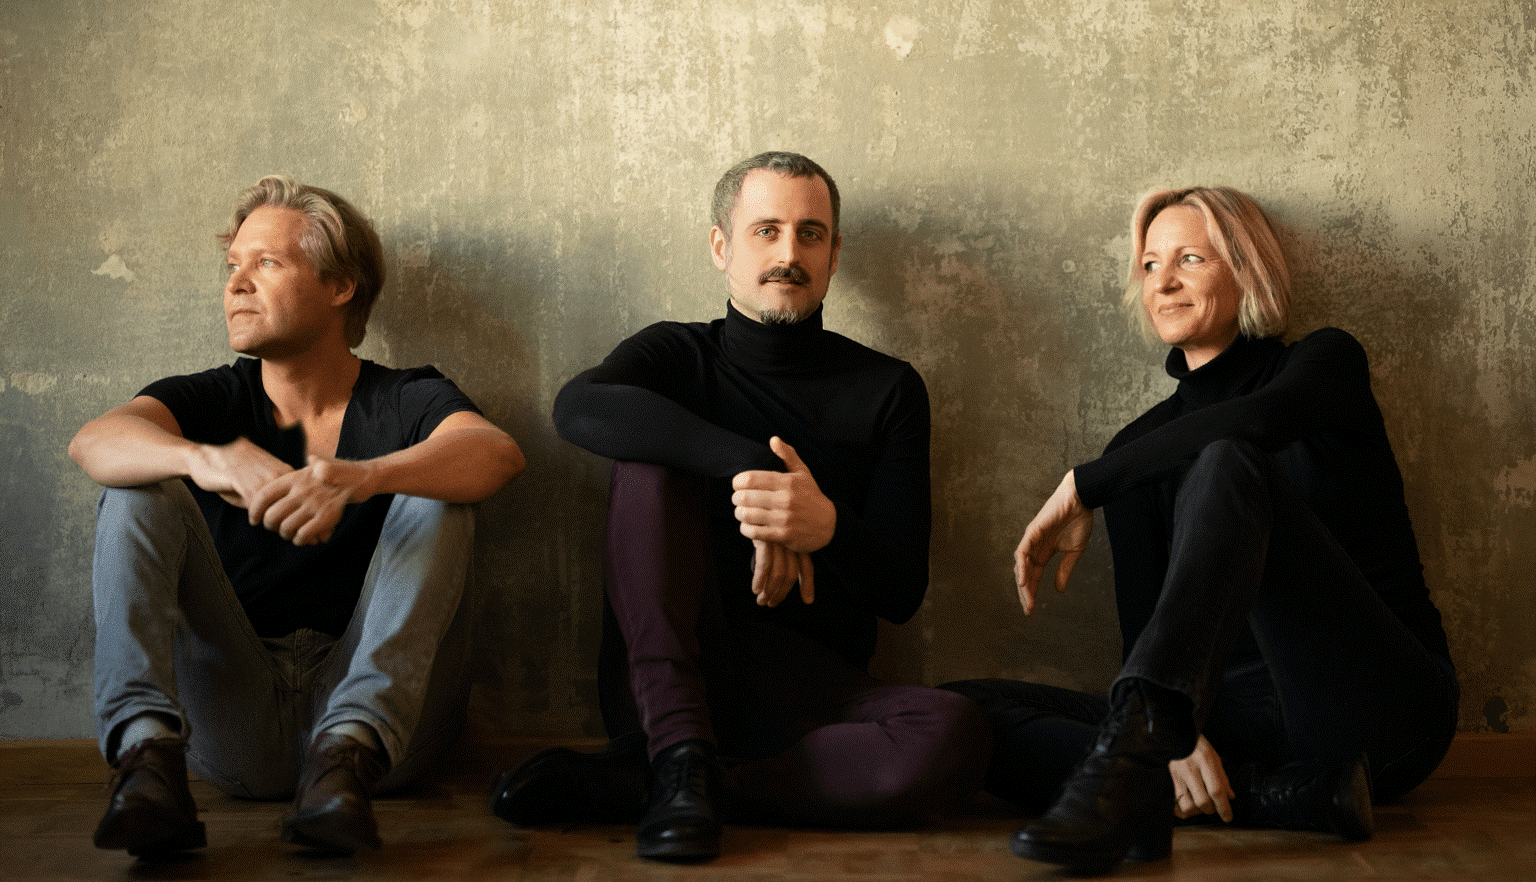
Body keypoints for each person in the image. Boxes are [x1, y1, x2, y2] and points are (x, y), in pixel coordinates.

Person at [490, 151, 990, 861]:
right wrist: (756, 468)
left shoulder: (889, 389)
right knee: (647, 459)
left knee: (953, 732)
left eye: (811, 234)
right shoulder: (676, 356)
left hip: (804, 698)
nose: (789, 254)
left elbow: (902, 591)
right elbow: (577, 407)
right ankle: (678, 750)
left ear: (834, 254)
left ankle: (659, 784)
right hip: (666, 678)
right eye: (766, 230)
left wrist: (824, 526)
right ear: (721, 246)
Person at [947, 186, 1456, 874]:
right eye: (1150, 264)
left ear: (1247, 270)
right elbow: (1147, 635)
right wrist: (1179, 741)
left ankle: (1157, 783)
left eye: (1190, 258)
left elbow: (1258, 421)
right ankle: (1280, 796)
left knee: (1226, 463)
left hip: (1376, 707)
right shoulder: (1136, 451)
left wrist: (1086, 484)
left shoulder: (1324, 365)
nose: (1164, 281)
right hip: (1234, 719)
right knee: (959, 710)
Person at [69, 175, 525, 858]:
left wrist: (362, 477)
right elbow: (93, 442)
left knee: (437, 489)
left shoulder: (407, 396)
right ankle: (145, 763)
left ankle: (346, 752)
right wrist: (206, 460)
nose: (236, 284)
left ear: (340, 285)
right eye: (232, 266)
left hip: (382, 744)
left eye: (266, 262)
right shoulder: (208, 400)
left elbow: (496, 454)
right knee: (137, 486)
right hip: (236, 723)